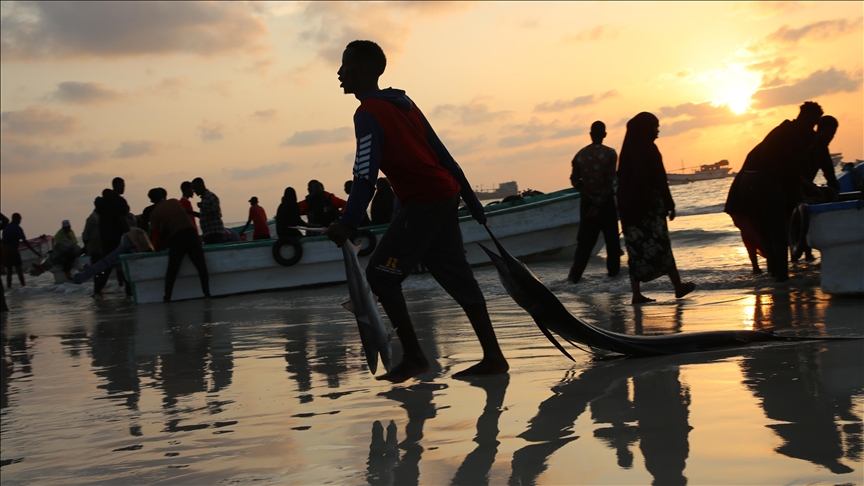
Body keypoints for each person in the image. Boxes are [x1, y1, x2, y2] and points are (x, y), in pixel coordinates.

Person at [327, 39, 508, 382]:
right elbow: (444, 155)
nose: (339, 72)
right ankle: (494, 357)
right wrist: (470, 201)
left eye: (344, 65)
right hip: (442, 196)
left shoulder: (367, 113)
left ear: (363, 69)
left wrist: (348, 223)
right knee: (456, 275)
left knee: (381, 275)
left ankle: (414, 358)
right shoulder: (405, 104)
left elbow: (364, 174)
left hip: (425, 200)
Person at [724, 102, 823, 280]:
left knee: (769, 230)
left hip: (748, 181)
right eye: (813, 123)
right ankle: (781, 277)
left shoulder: (782, 130)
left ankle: (775, 273)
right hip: (763, 181)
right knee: (778, 230)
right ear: (808, 119)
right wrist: (812, 190)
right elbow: (792, 172)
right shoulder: (795, 135)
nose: (813, 128)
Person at [617, 112, 695, 304]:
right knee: (662, 247)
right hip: (650, 207)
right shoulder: (649, 149)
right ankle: (678, 287)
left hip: (629, 210)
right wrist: (670, 204)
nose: (657, 131)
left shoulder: (626, 152)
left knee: (635, 250)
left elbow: (622, 181)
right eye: (655, 127)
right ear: (646, 129)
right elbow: (660, 179)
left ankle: (636, 294)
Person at [567, 121, 622, 283]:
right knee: (612, 242)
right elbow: (609, 181)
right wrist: (598, 203)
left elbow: (575, 180)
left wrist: (590, 199)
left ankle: (574, 277)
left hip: (587, 204)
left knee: (585, 241)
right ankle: (614, 278)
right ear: (604, 134)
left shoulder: (580, 155)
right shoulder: (611, 154)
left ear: (590, 134)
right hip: (606, 204)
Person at [148, 188, 211, 302]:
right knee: (201, 265)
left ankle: (167, 297)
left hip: (177, 236)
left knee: (172, 269)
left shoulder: (154, 214)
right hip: (191, 233)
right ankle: (206, 293)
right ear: (163, 196)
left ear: (151, 200)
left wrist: (157, 250)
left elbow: (156, 237)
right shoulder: (174, 202)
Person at [73, 223, 153, 284]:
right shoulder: (138, 230)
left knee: (109, 261)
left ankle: (90, 274)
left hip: (128, 241)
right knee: (110, 262)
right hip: (131, 244)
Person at [96, 178, 131, 293]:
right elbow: (122, 219)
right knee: (125, 264)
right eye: (123, 185)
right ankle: (129, 291)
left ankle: (98, 290)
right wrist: (129, 234)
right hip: (118, 237)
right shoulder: (120, 201)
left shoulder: (103, 201)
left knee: (107, 265)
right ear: (118, 185)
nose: (124, 188)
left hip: (105, 238)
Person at [2, 213, 42, 288]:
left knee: (9, 272)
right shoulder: (17, 228)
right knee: (19, 270)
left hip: (6, 252)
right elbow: (25, 242)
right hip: (14, 251)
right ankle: (24, 286)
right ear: (16, 219)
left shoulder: (6, 227)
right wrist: (36, 252)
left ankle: (9, 288)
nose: (20, 221)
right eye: (19, 219)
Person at [192, 177, 225, 245]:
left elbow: (216, 210)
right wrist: (191, 212)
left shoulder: (210, 196)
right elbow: (204, 215)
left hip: (214, 232)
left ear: (201, 186)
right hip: (208, 233)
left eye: (195, 188)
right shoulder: (205, 198)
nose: (194, 191)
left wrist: (203, 206)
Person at [81, 198, 102, 263]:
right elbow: (86, 233)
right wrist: (86, 246)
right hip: (94, 247)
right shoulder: (93, 218)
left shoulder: (101, 215)